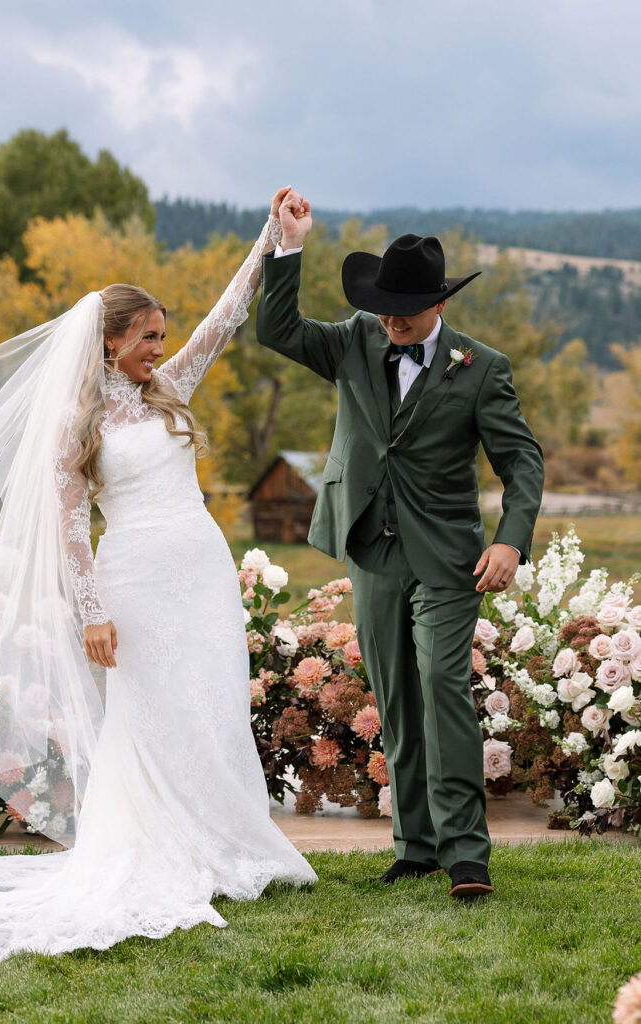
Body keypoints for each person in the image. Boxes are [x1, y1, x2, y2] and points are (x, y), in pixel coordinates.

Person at [0, 187, 316, 962]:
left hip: (200, 568)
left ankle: (228, 836)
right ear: (107, 342)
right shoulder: (78, 422)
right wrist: (93, 611)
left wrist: (272, 237)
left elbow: (224, 320)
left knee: (209, 703)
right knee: (150, 713)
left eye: (163, 337)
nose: (160, 349)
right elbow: (71, 525)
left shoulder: (168, 390)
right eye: (146, 338)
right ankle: (161, 845)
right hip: (132, 576)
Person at [257, 190, 544, 899]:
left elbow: (522, 463)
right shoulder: (356, 337)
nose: (389, 321)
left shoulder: (481, 368)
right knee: (395, 697)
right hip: (371, 550)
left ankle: (466, 854)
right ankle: (415, 845)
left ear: (436, 308)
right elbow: (277, 330)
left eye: (402, 313)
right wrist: (287, 247)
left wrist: (510, 540)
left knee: (442, 685)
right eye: (382, 308)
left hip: (448, 558)